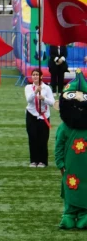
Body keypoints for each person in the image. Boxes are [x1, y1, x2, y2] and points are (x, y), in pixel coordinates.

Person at [55, 71, 87, 229]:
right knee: (70, 188)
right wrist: (60, 163)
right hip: (70, 168)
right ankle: (69, 214)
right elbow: (59, 145)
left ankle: (84, 214)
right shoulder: (64, 128)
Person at [25, 69, 55, 168]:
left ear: (41, 76)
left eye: (37, 75)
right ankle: (34, 160)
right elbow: (29, 100)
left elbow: (52, 103)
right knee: (32, 138)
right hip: (31, 114)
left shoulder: (47, 88)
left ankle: (43, 161)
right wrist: (35, 92)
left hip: (44, 115)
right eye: (33, 75)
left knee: (43, 138)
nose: (35, 76)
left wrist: (44, 99)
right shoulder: (28, 87)